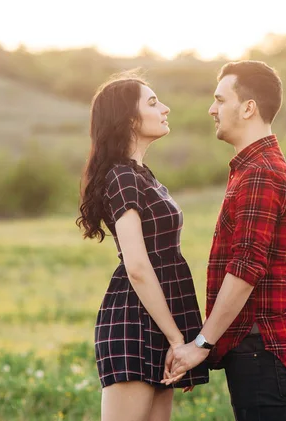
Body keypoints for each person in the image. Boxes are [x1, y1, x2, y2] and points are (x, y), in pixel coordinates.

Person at [163, 60, 286, 420]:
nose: (211, 109)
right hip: (254, 345)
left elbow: (247, 268)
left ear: (248, 107)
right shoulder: (251, 169)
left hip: (259, 344)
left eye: (220, 99)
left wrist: (201, 344)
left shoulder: (260, 173)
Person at [76, 71, 208, 421]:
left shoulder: (141, 173)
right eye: (152, 102)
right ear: (129, 119)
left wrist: (174, 335)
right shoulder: (122, 176)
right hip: (135, 320)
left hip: (159, 318)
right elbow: (136, 264)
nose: (165, 108)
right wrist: (176, 337)